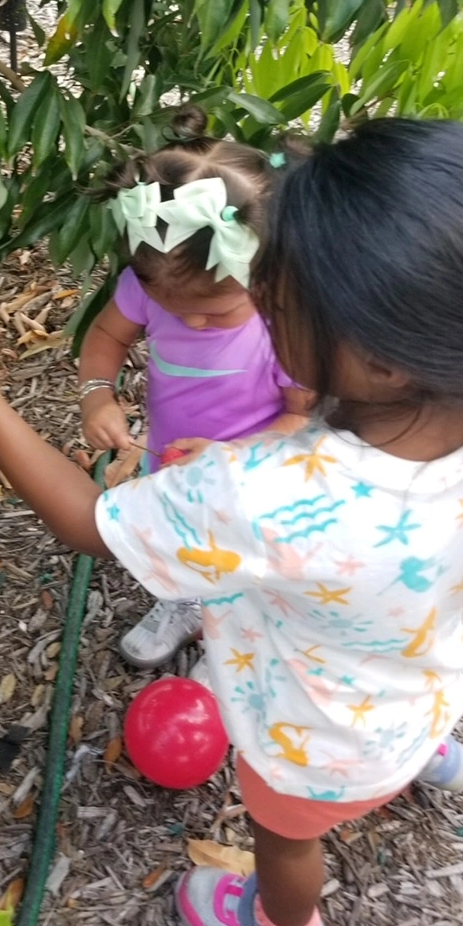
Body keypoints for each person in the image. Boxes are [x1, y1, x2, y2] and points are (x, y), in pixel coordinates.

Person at [0, 118, 463, 926]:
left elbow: (87, 522)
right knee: (396, 722)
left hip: (306, 738)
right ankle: (417, 760)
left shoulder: (262, 496)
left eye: (283, 293)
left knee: (286, 837)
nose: (262, 297)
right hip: (422, 687)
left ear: (384, 361)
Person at [79, 108, 311, 668]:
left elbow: (301, 419)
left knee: (247, 561)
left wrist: (232, 458)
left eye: (214, 312)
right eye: (169, 309)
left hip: (251, 480)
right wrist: (96, 392)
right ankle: (183, 602)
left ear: (263, 273)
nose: (194, 324)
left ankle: (238, 636)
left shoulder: (284, 326)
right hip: (173, 462)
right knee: (183, 542)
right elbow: (107, 336)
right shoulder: (146, 284)